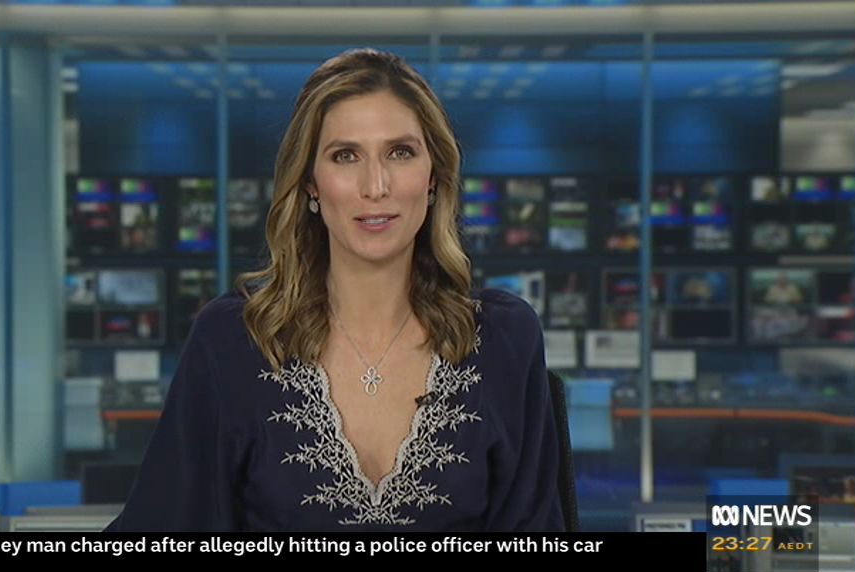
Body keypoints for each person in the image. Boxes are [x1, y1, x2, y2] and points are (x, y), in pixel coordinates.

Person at [106, 48, 565, 531]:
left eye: (400, 152)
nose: (376, 186)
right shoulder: (233, 340)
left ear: (432, 177)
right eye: (346, 156)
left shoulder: (503, 340)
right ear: (311, 183)